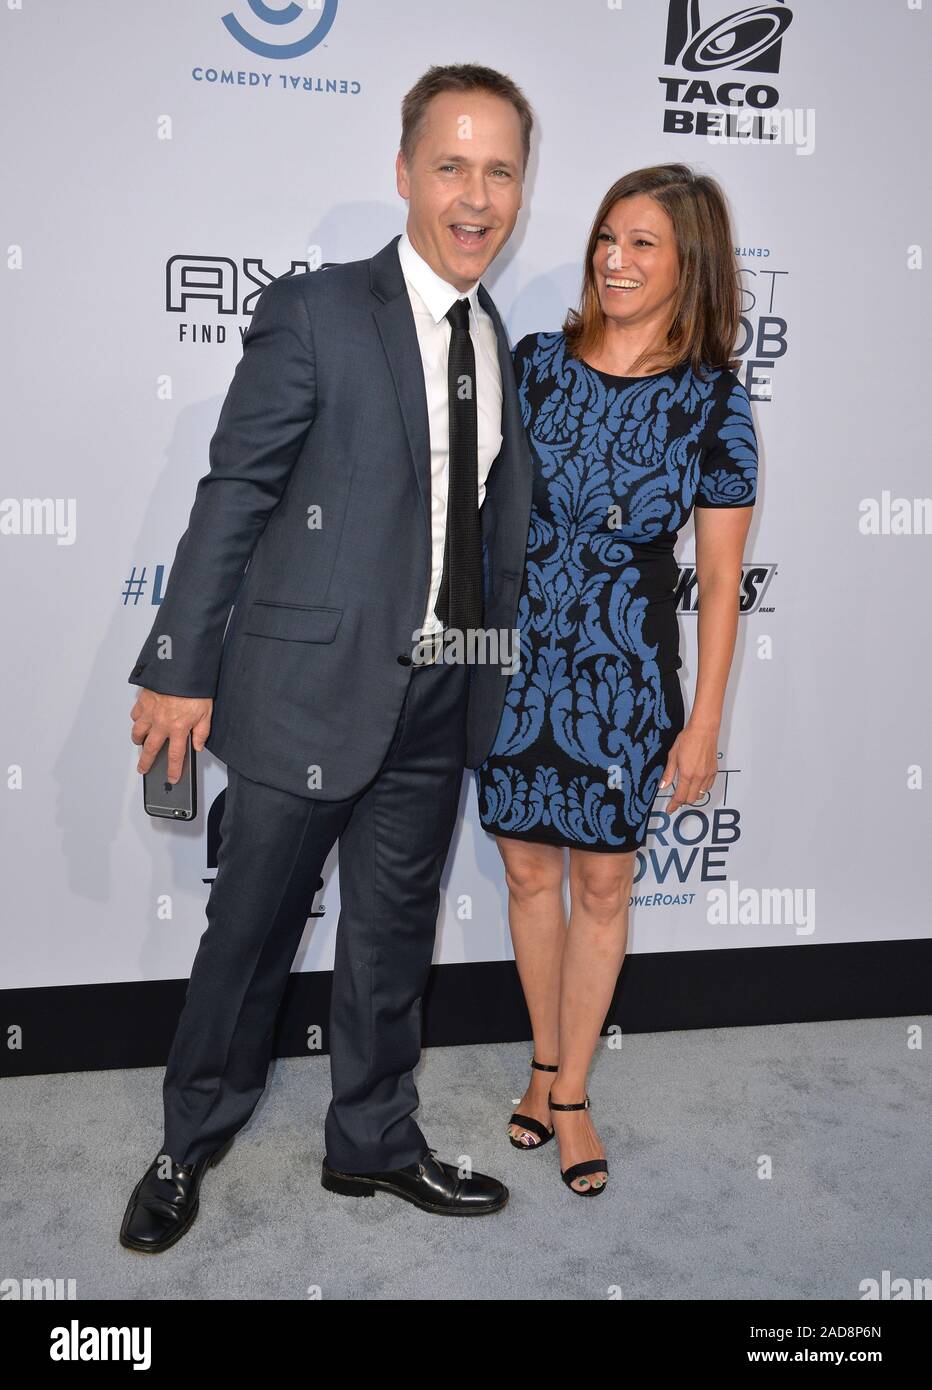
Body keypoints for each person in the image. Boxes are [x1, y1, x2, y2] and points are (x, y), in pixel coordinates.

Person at [121, 63, 535, 1252]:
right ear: (403, 173)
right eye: (450, 166)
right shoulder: (316, 311)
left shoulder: (495, 330)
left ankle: (371, 1141)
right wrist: (179, 661)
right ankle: (184, 1140)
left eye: (498, 170)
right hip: (302, 690)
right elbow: (236, 491)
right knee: (247, 937)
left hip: (438, 685)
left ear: (520, 188)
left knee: (390, 941)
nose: (474, 194)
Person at [474, 164, 759, 1195]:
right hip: (510, 668)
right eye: (606, 236)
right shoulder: (536, 364)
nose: (613, 258)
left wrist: (702, 727)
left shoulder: (714, 405)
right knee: (522, 875)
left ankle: (572, 1090)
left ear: (689, 265)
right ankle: (541, 1062)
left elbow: (720, 585)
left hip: (623, 680)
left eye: (642, 243)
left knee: (600, 882)